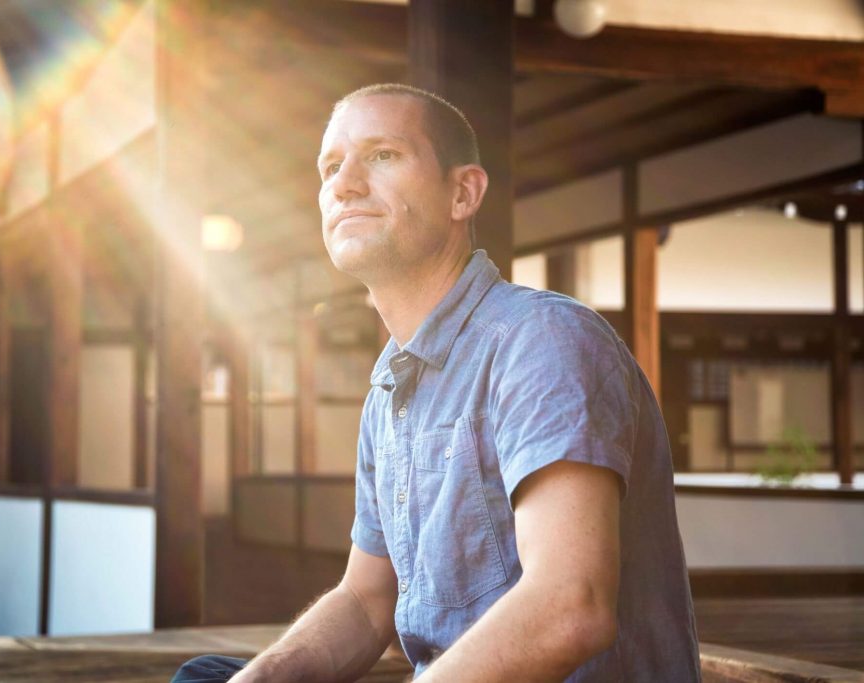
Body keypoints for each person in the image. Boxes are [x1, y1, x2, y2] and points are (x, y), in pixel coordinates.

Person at [171, 83, 701, 682]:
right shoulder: (390, 389)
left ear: (462, 193)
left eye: (382, 155)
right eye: (329, 167)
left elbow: (569, 607)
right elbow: (367, 600)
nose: (343, 183)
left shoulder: (542, 340)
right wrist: (262, 678)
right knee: (211, 676)